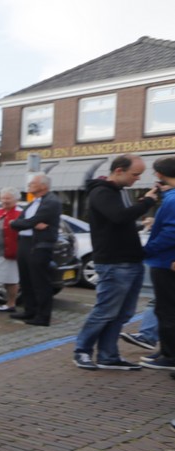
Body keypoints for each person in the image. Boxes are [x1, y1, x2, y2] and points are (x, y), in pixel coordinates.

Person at [73, 155, 160, 370]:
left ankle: (108, 356)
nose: (137, 179)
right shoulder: (102, 192)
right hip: (114, 262)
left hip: (129, 261)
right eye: (135, 174)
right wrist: (147, 202)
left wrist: (140, 224)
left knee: (122, 313)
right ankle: (82, 351)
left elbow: (117, 224)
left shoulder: (118, 191)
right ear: (119, 170)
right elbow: (119, 217)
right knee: (105, 311)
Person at [9, 173, 61, 327]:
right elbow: (21, 222)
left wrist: (25, 223)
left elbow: (30, 221)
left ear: (43, 186)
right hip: (25, 243)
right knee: (26, 280)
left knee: (40, 281)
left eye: (33, 183)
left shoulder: (52, 202)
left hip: (39, 245)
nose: (29, 185)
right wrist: (22, 223)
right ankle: (29, 310)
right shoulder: (33, 202)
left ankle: (43, 316)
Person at [141, 156, 175, 371]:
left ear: (160, 174)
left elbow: (172, 232)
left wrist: (147, 249)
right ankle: (166, 350)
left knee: (167, 309)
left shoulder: (172, 199)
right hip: (167, 260)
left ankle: (170, 356)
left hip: (166, 261)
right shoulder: (170, 197)